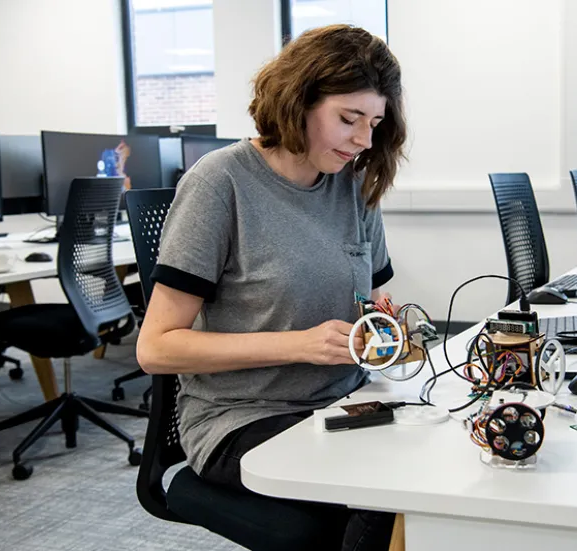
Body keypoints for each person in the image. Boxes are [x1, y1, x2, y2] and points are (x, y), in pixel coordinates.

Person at [136, 24, 406, 551]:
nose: (364, 140)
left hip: (342, 401)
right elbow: (156, 348)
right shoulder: (221, 182)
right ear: (296, 101)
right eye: (348, 119)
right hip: (241, 417)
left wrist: (387, 331)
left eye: (374, 123)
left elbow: (375, 304)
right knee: (379, 495)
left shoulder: (352, 186)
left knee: (429, 468)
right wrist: (299, 344)